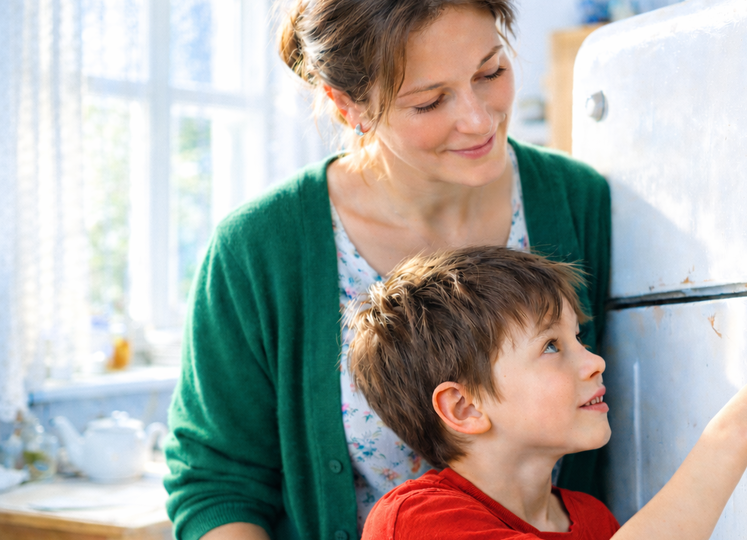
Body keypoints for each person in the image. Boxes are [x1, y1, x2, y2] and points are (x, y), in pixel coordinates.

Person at [163, 1, 610, 539]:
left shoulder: (580, 201)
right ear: (348, 105)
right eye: (429, 101)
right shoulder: (258, 247)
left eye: (490, 72)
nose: (477, 117)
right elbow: (218, 483)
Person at [349, 246, 747, 540]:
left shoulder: (590, 519)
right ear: (465, 407)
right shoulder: (416, 522)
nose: (594, 361)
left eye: (577, 338)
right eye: (551, 346)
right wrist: (736, 429)